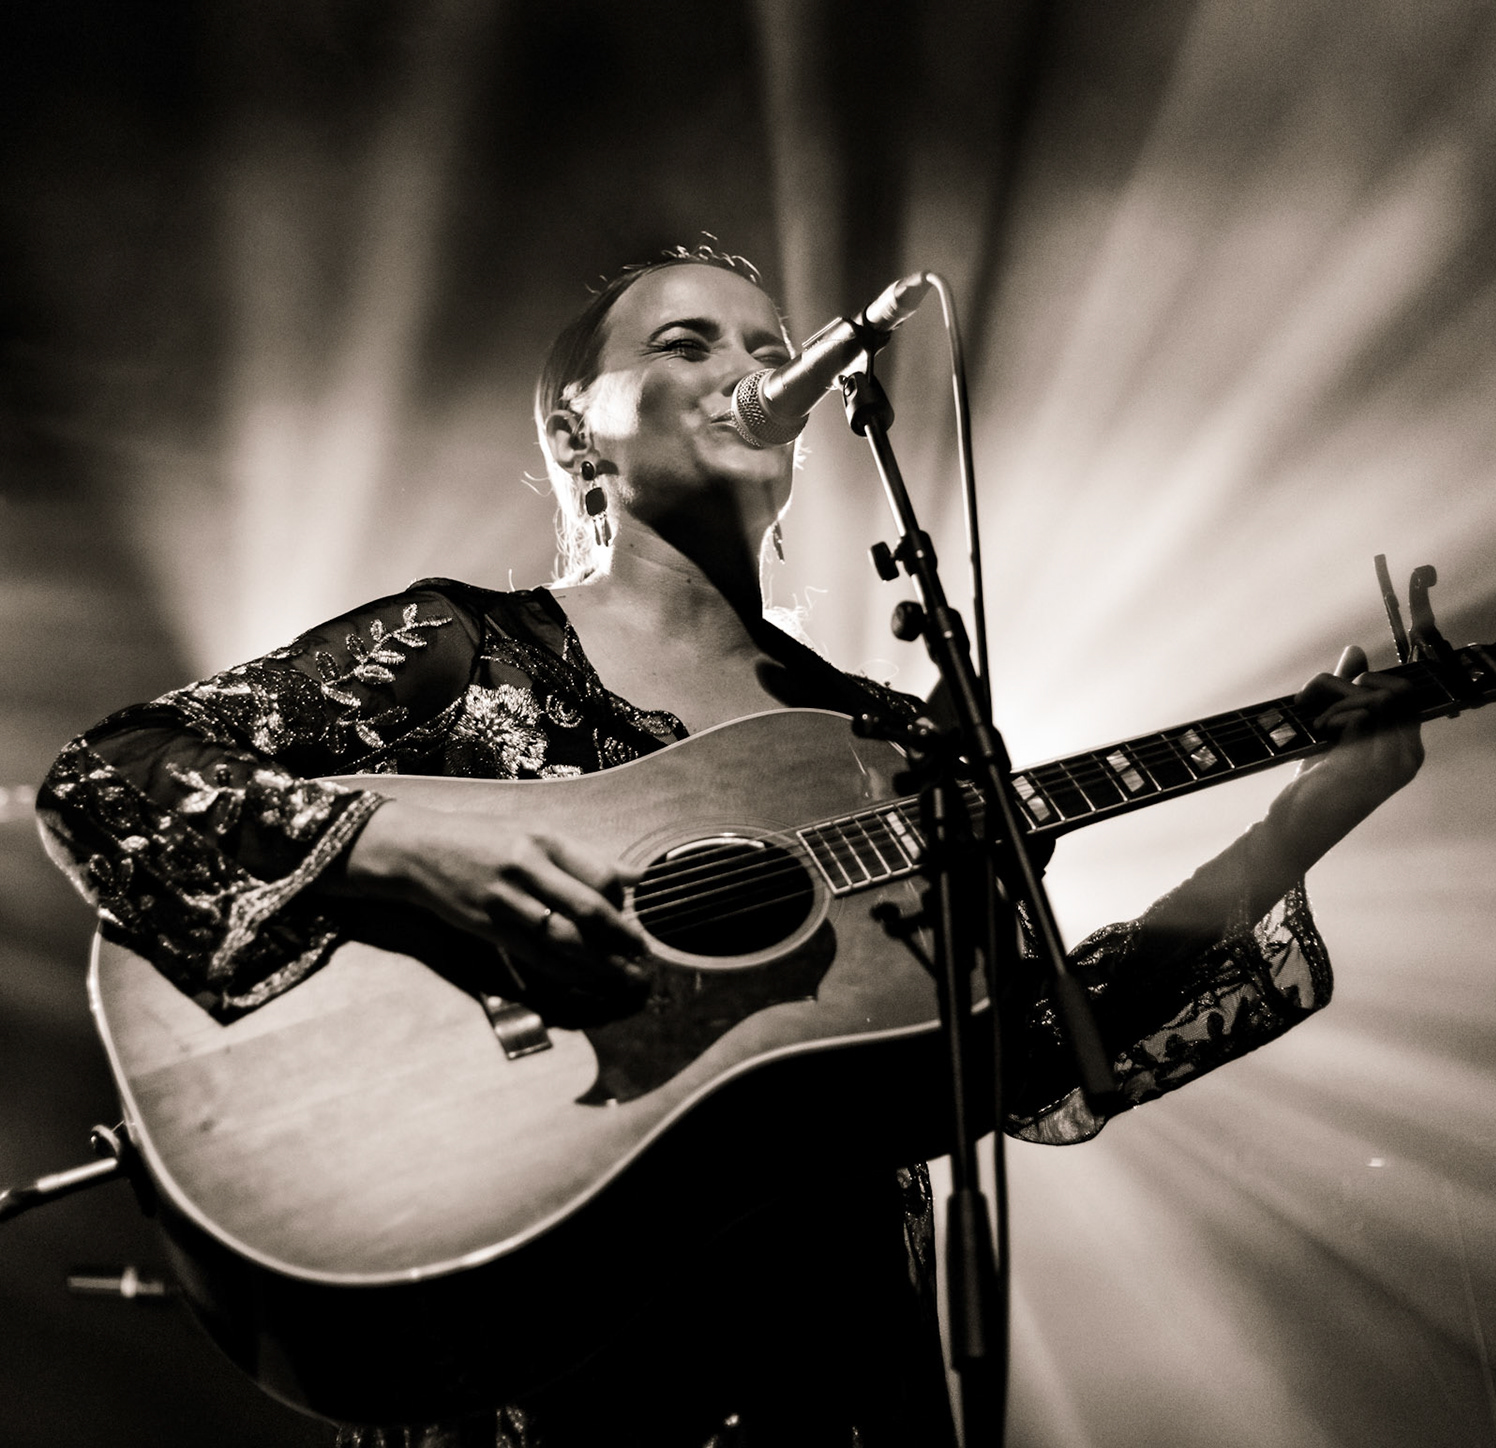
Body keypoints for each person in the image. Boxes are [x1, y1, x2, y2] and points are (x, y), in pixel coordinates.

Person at [37, 246, 1423, 1447]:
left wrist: (1317, 801)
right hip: (539, 1342)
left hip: (831, 1369)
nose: (752, 369)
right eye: (683, 342)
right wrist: (392, 845)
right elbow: (116, 775)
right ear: (578, 431)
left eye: (769, 348)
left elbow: (1049, 1054)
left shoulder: (889, 740)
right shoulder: (462, 650)